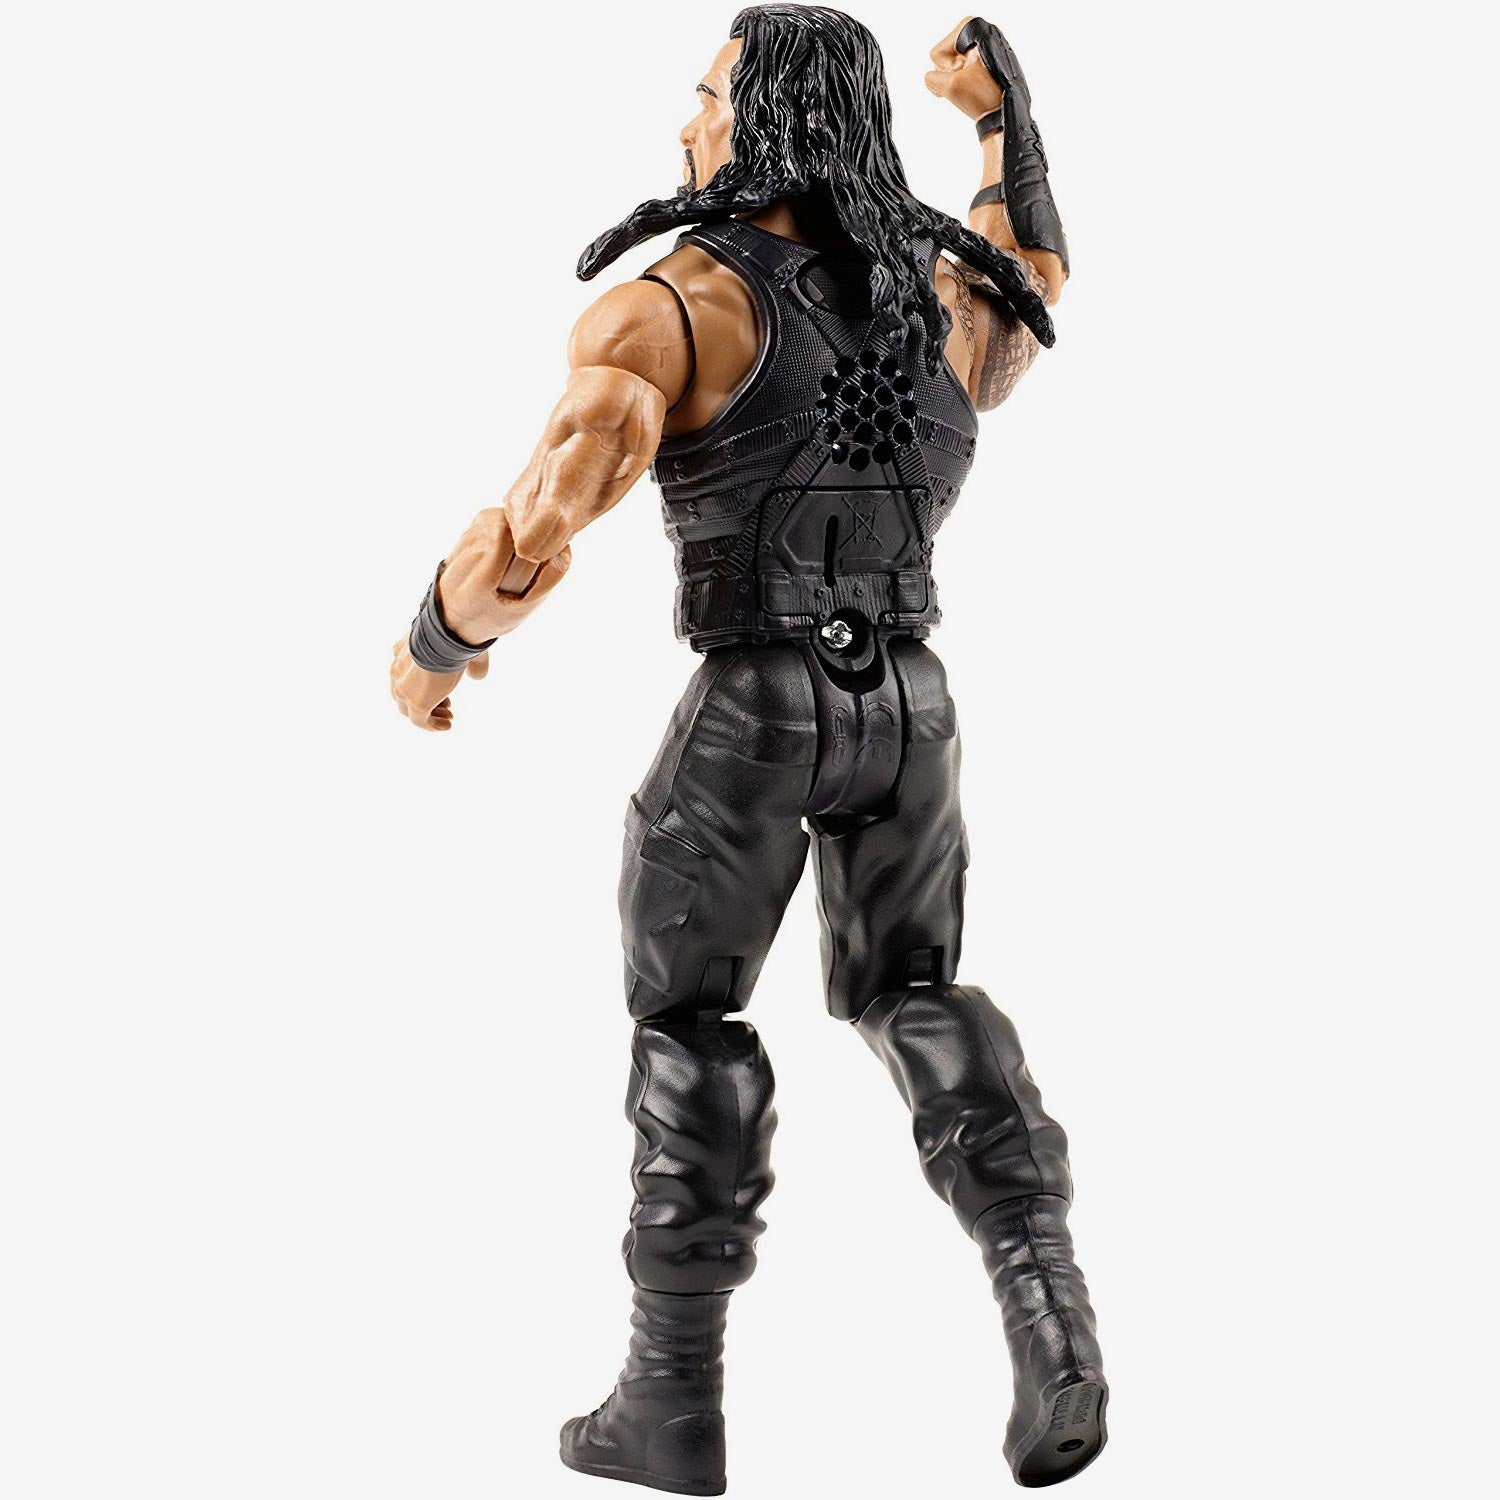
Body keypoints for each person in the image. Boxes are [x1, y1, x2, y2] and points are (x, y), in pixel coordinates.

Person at [391, 8, 1105, 1492]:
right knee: (917, 991)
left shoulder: (675, 306)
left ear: (766, 114)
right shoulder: (938, 296)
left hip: (758, 708)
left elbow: (535, 531)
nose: (687, 126)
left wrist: (433, 644)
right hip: (912, 704)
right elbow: (1037, 277)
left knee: (687, 1016)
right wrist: (1003, 122)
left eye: (708, 96)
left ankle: (671, 1403)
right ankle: (1055, 1320)